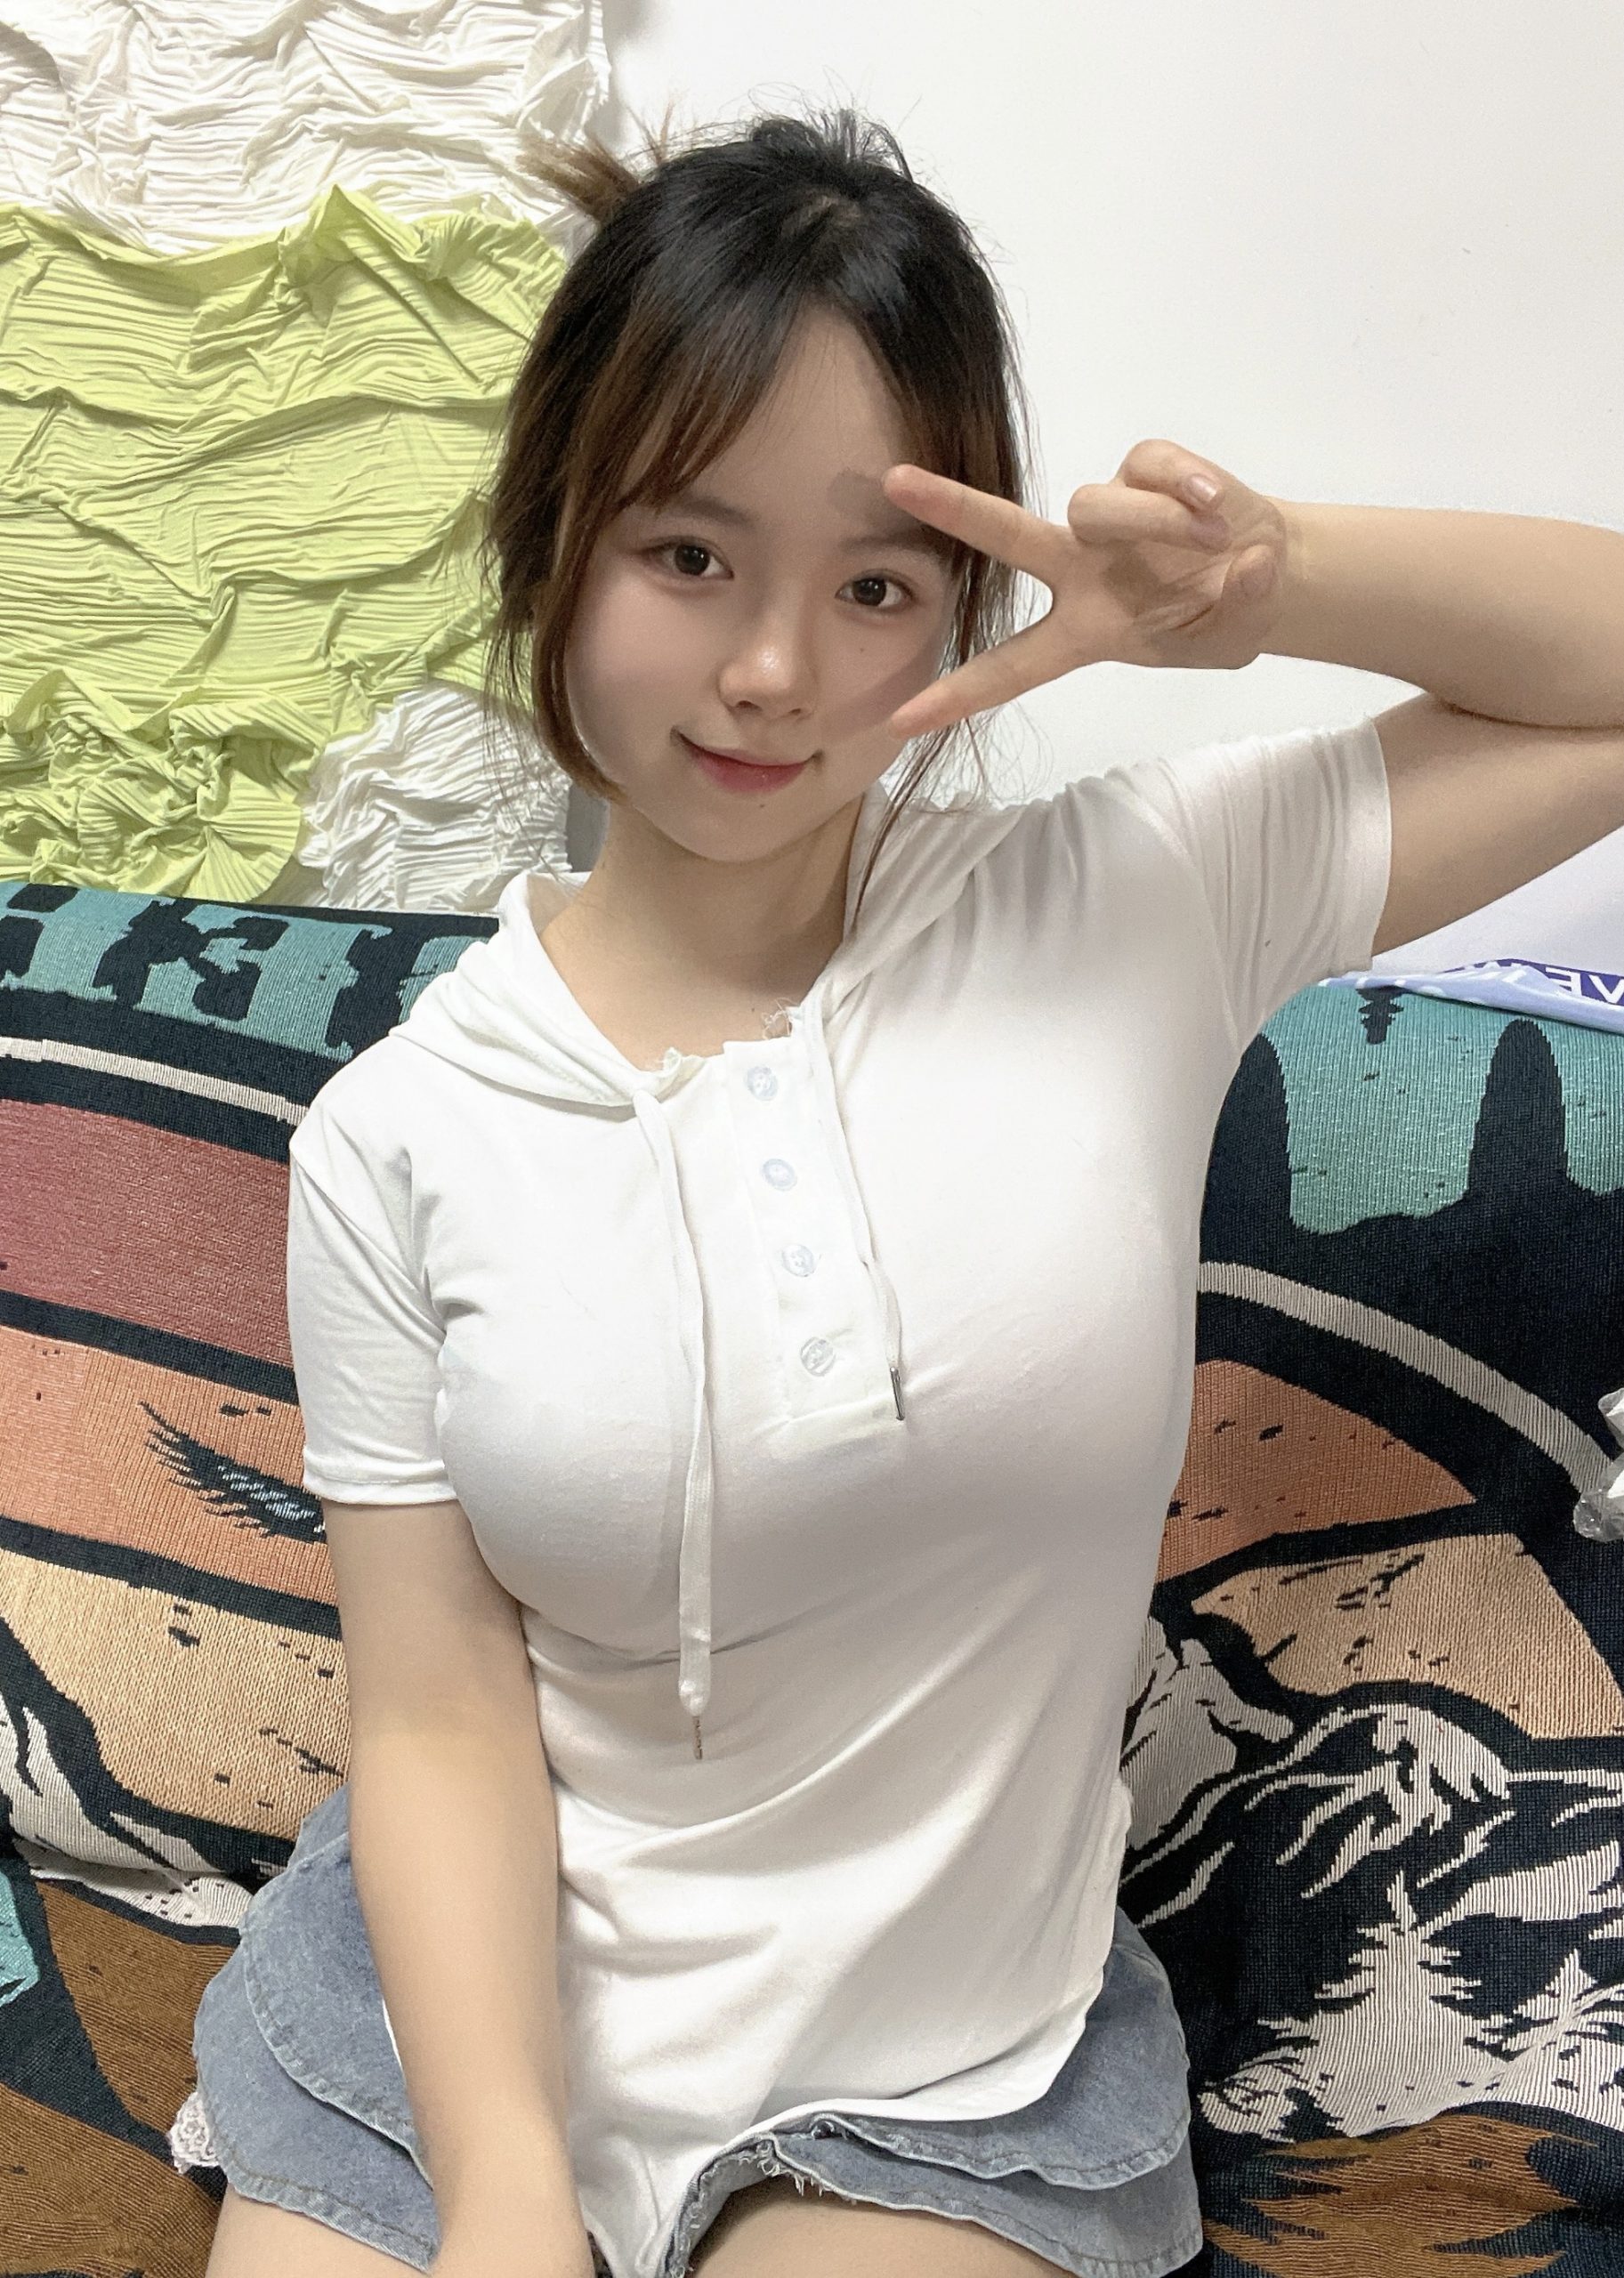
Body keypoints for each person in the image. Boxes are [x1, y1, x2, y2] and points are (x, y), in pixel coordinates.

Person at [176, 101, 1393, 2278]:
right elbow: (438, 1716)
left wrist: (1258, 588)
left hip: (947, 2075)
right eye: (689, 555)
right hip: (448, 2023)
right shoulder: (397, 1131)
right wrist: (506, 2192)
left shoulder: (1130, 904)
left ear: (967, 609)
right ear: (554, 537)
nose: (774, 671)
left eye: (874, 587)